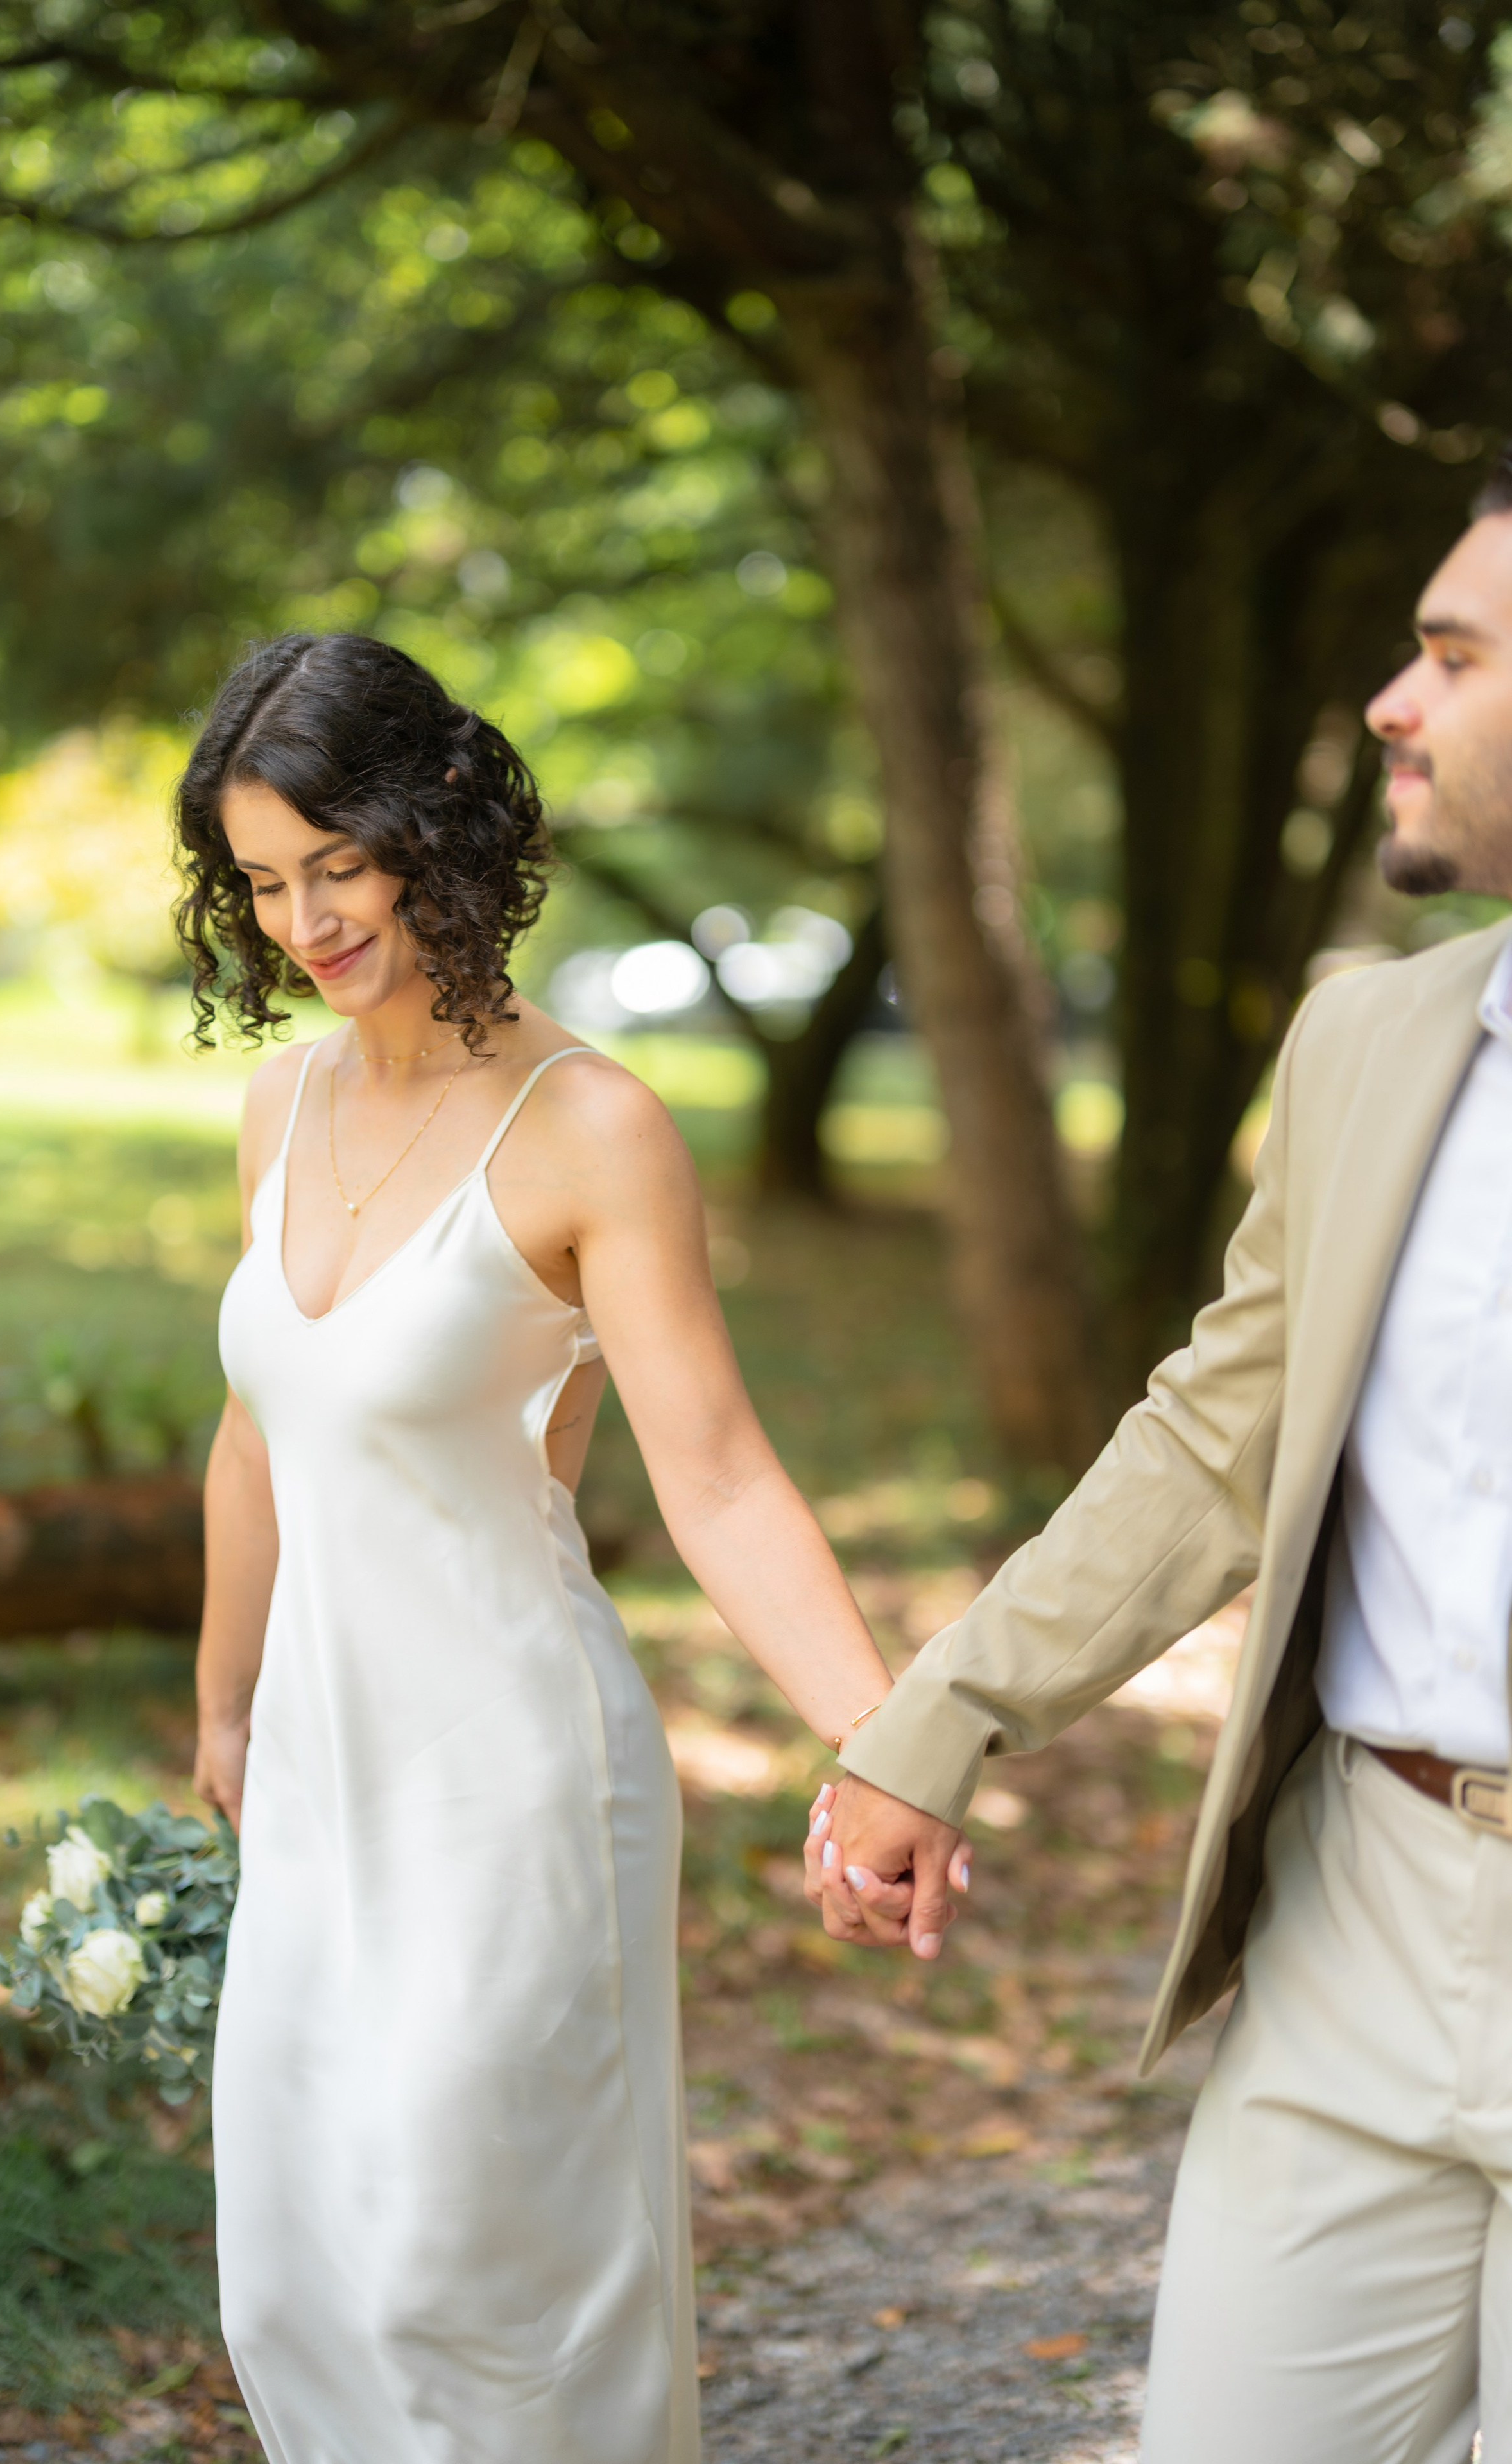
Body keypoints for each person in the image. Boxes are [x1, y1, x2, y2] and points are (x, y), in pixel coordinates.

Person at [807, 456, 1512, 2463]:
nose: (1391, 699)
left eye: (1450, 656)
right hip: (1359, 1920)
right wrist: (934, 1719)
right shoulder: (1377, 1042)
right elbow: (1218, 1431)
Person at [178, 632, 895, 2464]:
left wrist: (889, 1742)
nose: (306, 920)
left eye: (338, 863)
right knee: (291, 2269)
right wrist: (223, 1708)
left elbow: (721, 1475)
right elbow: (257, 1433)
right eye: (264, 883)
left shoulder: (591, 1130)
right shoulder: (282, 1109)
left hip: (513, 1782)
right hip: (321, 1775)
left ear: (436, 824)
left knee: (470, 2275)